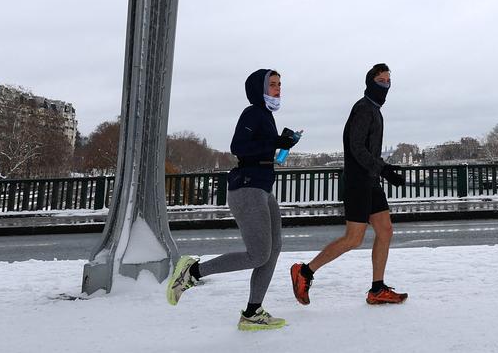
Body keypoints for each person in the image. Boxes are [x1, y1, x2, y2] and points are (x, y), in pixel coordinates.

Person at [166, 68, 301, 331]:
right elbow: (238, 147)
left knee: (273, 248)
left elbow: (260, 149)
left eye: (279, 85)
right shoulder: (252, 113)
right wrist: (275, 140)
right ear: (259, 89)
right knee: (258, 254)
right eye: (272, 85)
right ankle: (191, 273)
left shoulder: (266, 115)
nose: (278, 89)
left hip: (262, 188)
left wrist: (281, 142)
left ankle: (253, 312)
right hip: (247, 188)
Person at [290, 63, 408, 306]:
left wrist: (382, 169)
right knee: (353, 238)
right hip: (357, 182)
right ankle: (305, 272)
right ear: (369, 83)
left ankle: (377, 289)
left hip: (370, 180)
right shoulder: (364, 109)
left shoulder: (375, 110)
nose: (385, 85)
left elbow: (369, 149)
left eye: (388, 81)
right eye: (381, 81)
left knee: (385, 230)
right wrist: (383, 169)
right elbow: (356, 147)